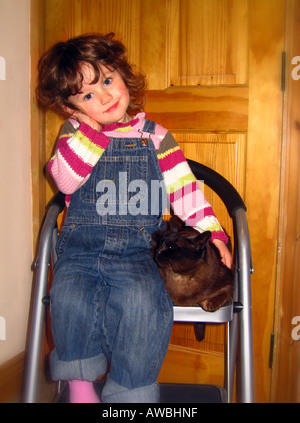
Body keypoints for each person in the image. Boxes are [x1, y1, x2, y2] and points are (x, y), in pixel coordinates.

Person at [37, 32, 232, 403]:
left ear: (124, 76)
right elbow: (65, 180)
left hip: (138, 250)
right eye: (87, 95)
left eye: (107, 81)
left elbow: (184, 190)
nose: (105, 97)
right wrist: (91, 132)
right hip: (81, 248)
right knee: (69, 297)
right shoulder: (73, 135)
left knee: (143, 302)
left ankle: (130, 395)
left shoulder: (156, 137)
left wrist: (213, 230)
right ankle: (80, 387)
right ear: (70, 108)